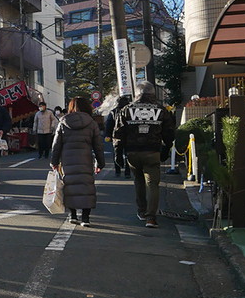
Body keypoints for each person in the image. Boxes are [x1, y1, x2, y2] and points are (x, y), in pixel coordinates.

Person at [112, 81, 176, 228]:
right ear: (153, 93)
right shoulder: (160, 110)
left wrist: (118, 152)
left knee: (139, 181)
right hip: (152, 151)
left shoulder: (127, 110)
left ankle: (141, 211)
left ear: (137, 94)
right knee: (152, 184)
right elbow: (169, 132)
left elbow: (118, 132)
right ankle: (151, 217)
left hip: (132, 152)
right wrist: (166, 148)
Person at [51, 96, 104, 227]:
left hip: (68, 160)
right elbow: (98, 145)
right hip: (85, 159)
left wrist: (54, 162)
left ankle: (73, 215)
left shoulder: (63, 121)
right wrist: (100, 163)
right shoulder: (91, 123)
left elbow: (56, 144)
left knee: (70, 186)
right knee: (86, 187)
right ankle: (86, 218)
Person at [104, 95, 131, 176]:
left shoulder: (113, 111)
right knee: (128, 154)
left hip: (116, 136)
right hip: (128, 136)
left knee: (117, 153)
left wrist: (108, 135)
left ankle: (118, 171)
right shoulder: (130, 111)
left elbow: (109, 124)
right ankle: (127, 172)